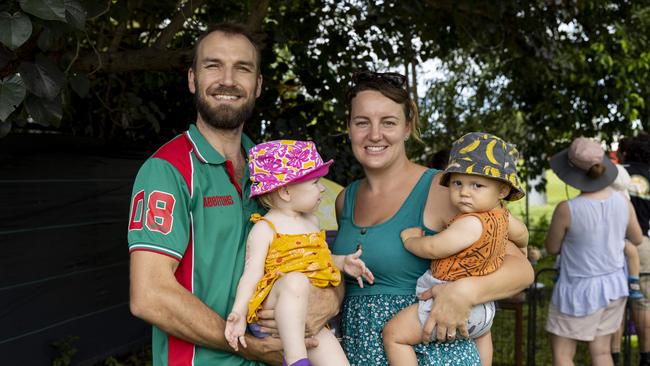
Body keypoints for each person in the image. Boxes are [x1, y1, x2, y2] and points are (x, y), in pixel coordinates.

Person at [127, 24, 340, 366]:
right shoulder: (168, 170)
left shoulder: (276, 172)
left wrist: (329, 297)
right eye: (213, 65)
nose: (227, 79)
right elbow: (149, 295)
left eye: (242, 68)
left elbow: (313, 254)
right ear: (193, 79)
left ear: (257, 86)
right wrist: (244, 346)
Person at [330, 70, 534, 365]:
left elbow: (521, 270)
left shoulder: (444, 189)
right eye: (362, 122)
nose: (374, 134)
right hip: (359, 354)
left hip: (433, 354)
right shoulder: (344, 200)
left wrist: (467, 291)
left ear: (407, 127)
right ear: (349, 127)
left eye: (388, 122)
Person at [383, 132, 529, 366]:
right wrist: (522, 246)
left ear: (502, 191)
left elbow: (434, 248)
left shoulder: (470, 223)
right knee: (481, 336)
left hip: (451, 302)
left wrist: (411, 240)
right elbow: (522, 234)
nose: (464, 192)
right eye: (457, 183)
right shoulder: (504, 218)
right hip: (485, 310)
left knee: (394, 335)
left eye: (477, 185)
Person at [224, 140, 374, 366]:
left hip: (305, 317)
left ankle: (299, 355)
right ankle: (295, 361)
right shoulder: (266, 228)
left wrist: (342, 262)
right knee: (296, 281)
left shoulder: (312, 221)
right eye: (315, 182)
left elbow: (316, 259)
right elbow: (251, 274)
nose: (322, 188)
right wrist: (238, 313)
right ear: (285, 191)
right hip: (274, 308)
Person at [545, 137, 644, 366]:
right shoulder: (622, 202)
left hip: (577, 291)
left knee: (563, 354)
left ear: (571, 173)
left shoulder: (567, 209)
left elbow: (552, 248)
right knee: (601, 353)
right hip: (613, 286)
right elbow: (637, 238)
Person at [621, 133, 650, 366]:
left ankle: (612, 356)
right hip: (643, 243)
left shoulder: (618, 173)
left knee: (615, 300)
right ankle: (645, 357)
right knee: (644, 302)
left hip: (613, 242)